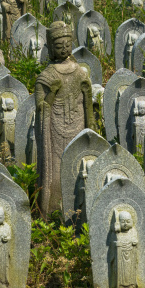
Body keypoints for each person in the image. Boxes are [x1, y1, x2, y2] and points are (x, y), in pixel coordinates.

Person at [35, 21, 94, 218]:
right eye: (59, 46)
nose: (64, 49)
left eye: (67, 45)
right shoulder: (46, 76)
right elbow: (41, 107)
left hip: (77, 127)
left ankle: (79, 207)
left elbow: (87, 105)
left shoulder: (80, 72)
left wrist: (88, 96)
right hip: (55, 131)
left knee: (78, 167)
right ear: (51, 48)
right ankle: (54, 208)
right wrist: (51, 93)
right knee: (57, 169)